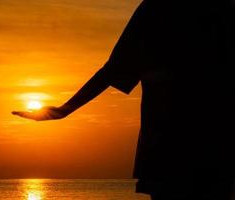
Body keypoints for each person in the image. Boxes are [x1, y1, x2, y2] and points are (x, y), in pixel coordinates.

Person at [13, 0, 235, 199]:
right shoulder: (210, 9)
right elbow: (114, 70)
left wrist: (64, 110)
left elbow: (112, 71)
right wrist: (63, 110)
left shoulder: (159, 9)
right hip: (205, 148)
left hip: (174, 149)